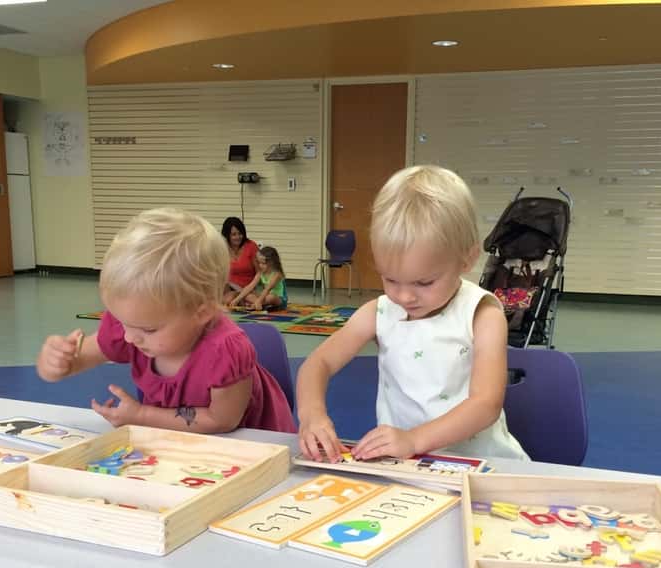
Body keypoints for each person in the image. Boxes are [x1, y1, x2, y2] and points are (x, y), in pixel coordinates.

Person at [296, 165, 529, 462]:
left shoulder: (481, 315)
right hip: (408, 466)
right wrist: (312, 416)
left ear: (467, 259)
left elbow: (486, 404)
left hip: (483, 466)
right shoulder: (380, 311)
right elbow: (318, 363)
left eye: (424, 282)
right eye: (390, 279)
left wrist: (414, 439)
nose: (404, 296)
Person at [36, 208, 296, 433]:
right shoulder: (133, 325)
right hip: (180, 443)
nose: (129, 336)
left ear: (202, 313)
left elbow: (221, 421)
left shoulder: (226, 349)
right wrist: (58, 363)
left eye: (148, 329)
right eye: (121, 320)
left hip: (257, 445)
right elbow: (79, 359)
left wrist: (141, 416)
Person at [228, 245, 288, 311]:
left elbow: (267, 289)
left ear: (272, 263)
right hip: (265, 297)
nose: (260, 265)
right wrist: (237, 299)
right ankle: (261, 305)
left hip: (279, 300)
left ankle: (257, 304)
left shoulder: (277, 274)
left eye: (263, 263)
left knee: (271, 297)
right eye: (259, 262)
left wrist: (258, 301)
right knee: (247, 294)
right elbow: (250, 286)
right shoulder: (260, 273)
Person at [221, 217, 258, 305]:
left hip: (247, 289)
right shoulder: (222, 248)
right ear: (227, 235)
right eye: (233, 234)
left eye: (240, 233)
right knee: (226, 299)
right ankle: (240, 299)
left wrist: (249, 289)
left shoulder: (251, 246)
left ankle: (242, 298)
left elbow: (259, 273)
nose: (237, 237)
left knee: (230, 300)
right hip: (229, 288)